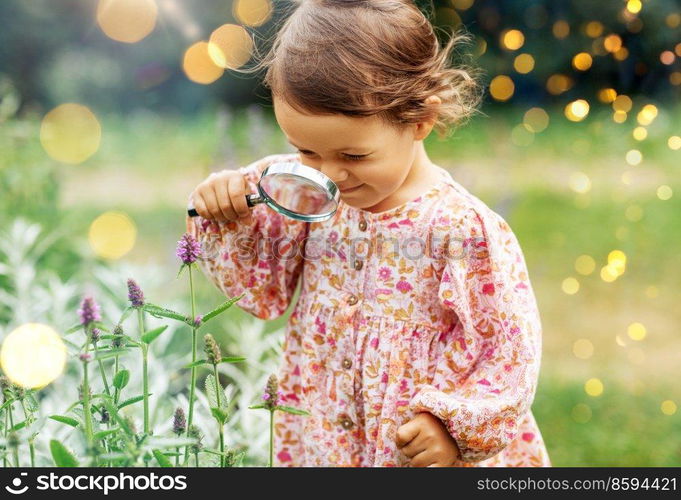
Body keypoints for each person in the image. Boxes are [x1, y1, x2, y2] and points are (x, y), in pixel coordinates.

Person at [185, 0, 551, 467]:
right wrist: (230, 213)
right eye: (306, 150)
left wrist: (452, 429)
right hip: (324, 438)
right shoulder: (298, 190)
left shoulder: (460, 229)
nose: (330, 174)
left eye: (354, 157)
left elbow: (505, 353)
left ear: (420, 120)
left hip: (416, 451)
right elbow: (263, 293)